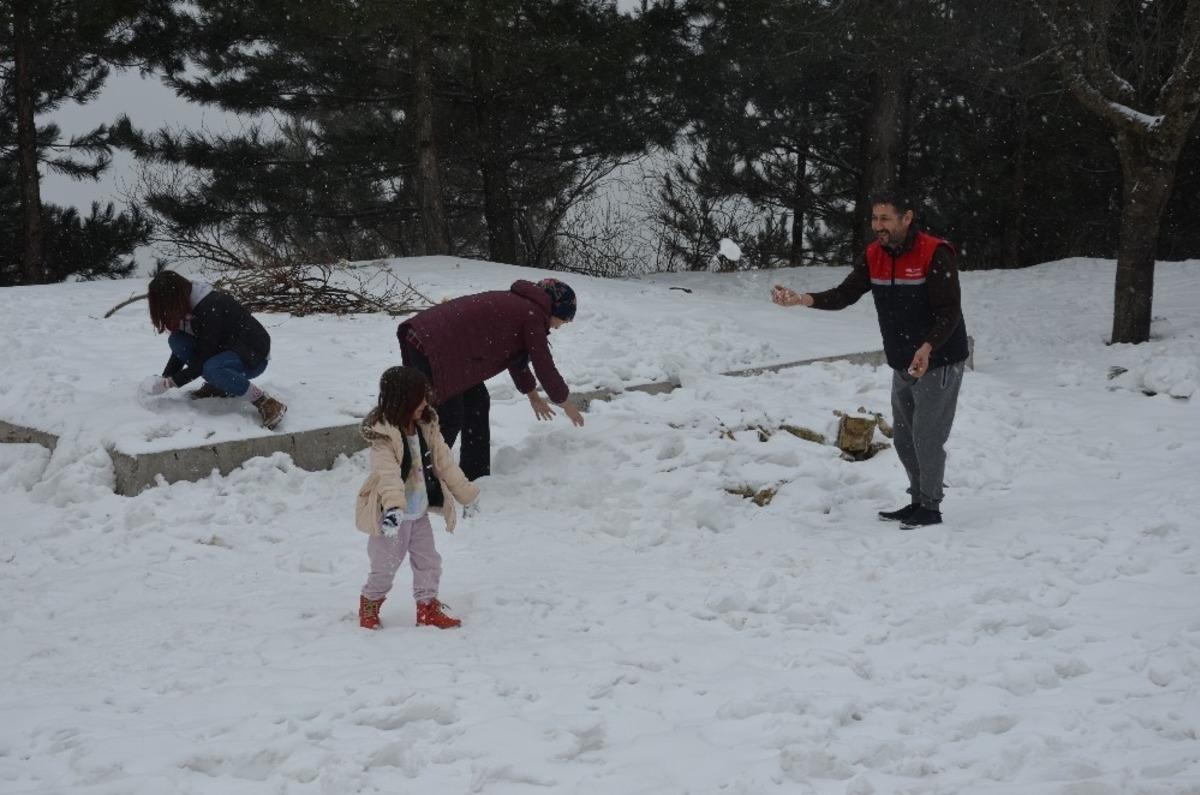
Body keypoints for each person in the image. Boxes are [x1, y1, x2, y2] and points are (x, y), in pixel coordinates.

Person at [771, 191, 969, 529]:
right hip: (902, 361)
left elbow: (949, 313)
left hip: (939, 359)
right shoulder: (874, 255)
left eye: (885, 219)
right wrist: (803, 299)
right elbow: (845, 294)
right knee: (905, 438)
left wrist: (927, 348)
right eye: (875, 219)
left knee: (926, 436)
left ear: (907, 218)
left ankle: (931, 508)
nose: (878, 226)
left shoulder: (934, 253)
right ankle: (917, 500)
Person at [396, 277, 584, 505]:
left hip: (438, 343)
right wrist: (566, 403)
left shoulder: (523, 305)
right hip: (435, 346)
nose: (559, 326)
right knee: (450, 415)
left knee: (477, 401)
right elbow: (544, 366)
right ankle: (418, 480)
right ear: (556, 308)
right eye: (563, 320)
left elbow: (517, 358)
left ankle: (475, 474)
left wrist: (533, 396)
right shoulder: (533, 314)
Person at [355, 366, 479, 630]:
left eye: (425, 396)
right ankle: (370, 601)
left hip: (419, 513)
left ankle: (427, 607)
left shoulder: (426, 426)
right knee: (384, 567)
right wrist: (394, 508)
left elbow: (445, 462)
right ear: (401, 399)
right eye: (419, 398)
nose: (425, 402)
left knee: (429, 562)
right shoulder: (384, 436)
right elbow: (387, 474)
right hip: (392, 516)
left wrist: (467, 493)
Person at [140, 270, 287, 430]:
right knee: (177, 339)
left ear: (174, 297)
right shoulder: (187, 304)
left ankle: (266, 402)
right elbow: (184, 350)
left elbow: (204, 357)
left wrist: (171, 383)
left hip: (253, 356)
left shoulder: (210, 306)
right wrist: (165, 377)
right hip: (225, 349)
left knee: (212, 368)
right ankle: (221, 386)